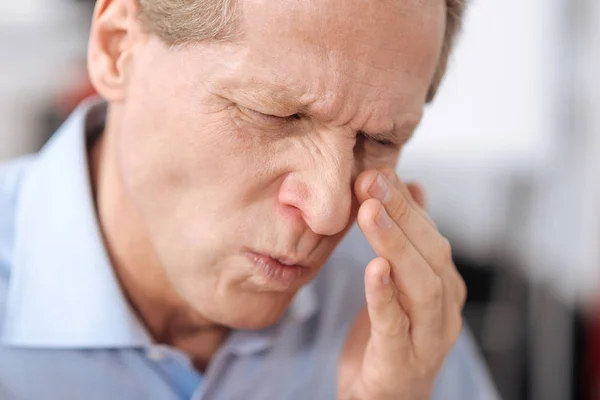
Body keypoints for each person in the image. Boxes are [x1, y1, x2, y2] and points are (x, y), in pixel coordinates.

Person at [0, 0, 499, 399]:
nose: (327, 213)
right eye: (274, 115)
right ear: (118, 48)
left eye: (381, 141)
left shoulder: (387, 319)